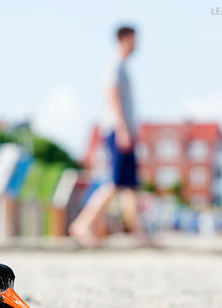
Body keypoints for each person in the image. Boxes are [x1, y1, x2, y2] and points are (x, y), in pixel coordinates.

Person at [70, 25, 146, 247]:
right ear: (125, 39)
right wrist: (123, 129)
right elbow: (112, 95)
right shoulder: (114, 64)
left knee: (130, 185)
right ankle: (82, 225)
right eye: (134, 39)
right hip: (117, 129)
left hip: (123, 130)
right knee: (114, 182)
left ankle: (139, 233)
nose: (137, 44)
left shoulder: (122, 65)